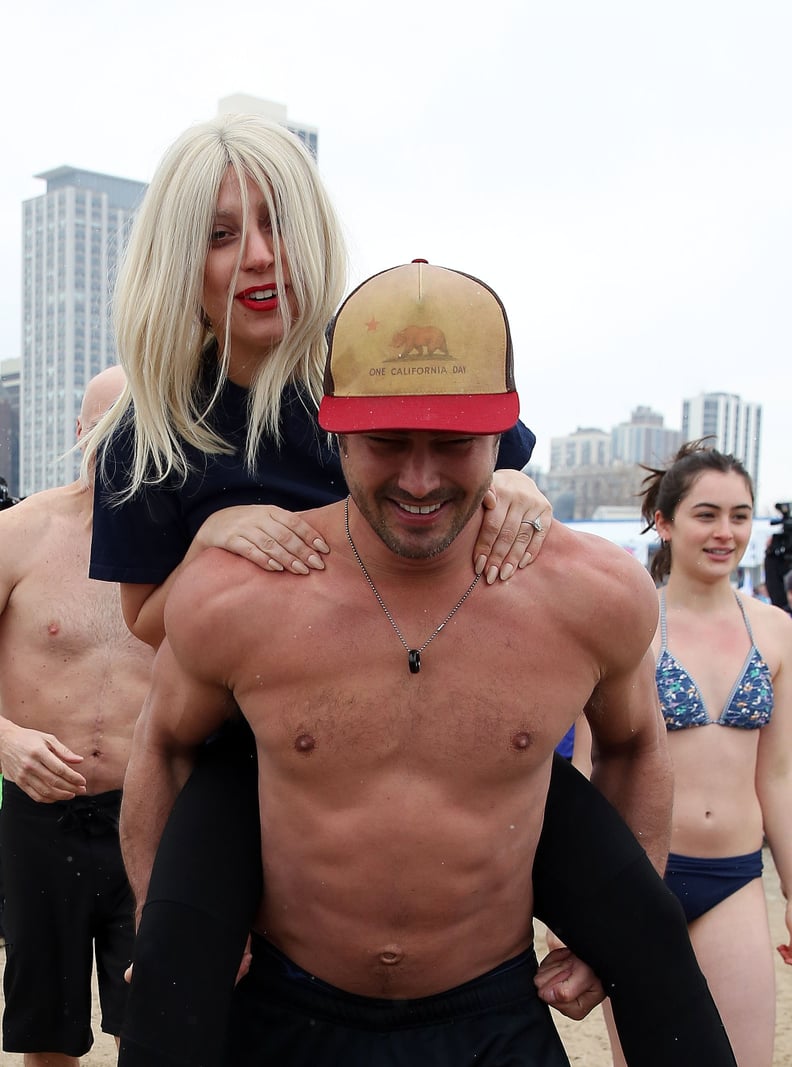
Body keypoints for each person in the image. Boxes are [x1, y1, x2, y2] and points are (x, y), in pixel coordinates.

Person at [120, 261, 738, 1065]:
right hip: (284, 1007)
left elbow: (632, 745)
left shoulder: (592, 594)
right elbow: (162, 746)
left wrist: (609, 929)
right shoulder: (242, 598)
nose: (418, 480)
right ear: (335, 432)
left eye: (451, 444)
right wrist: (172, 929)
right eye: (385, 443)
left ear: (500, 435)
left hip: (489, 1011)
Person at [85, 114, 552, 1067]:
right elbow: (143, 621)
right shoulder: (151, 434)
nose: (260, 257)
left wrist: (517, 485)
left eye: (279, 224)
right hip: (246, 755)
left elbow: (485, 466)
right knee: (171, 988)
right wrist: (210, 546)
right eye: (221, 234)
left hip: (437, 729)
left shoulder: (376, 372)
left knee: (644, 927)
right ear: (181, 260)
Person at [605, 441, 792, 1067]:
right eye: (706, 514)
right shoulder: (628, 623)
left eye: (740, 516)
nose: (725, 532)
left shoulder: (777, 631)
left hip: (734, 878)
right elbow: (593, 768)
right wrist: (577, 900)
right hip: (638, 880)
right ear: (665, 520)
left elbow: (782, 777)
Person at [0, 367, 153, 1066]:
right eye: (107, 429)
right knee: (46, 1034)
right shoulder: (19, 534)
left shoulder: (182, 548)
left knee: (152, 1019)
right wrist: (5, 741)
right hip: (39, 816)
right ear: (79, 435)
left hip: (148, 816)